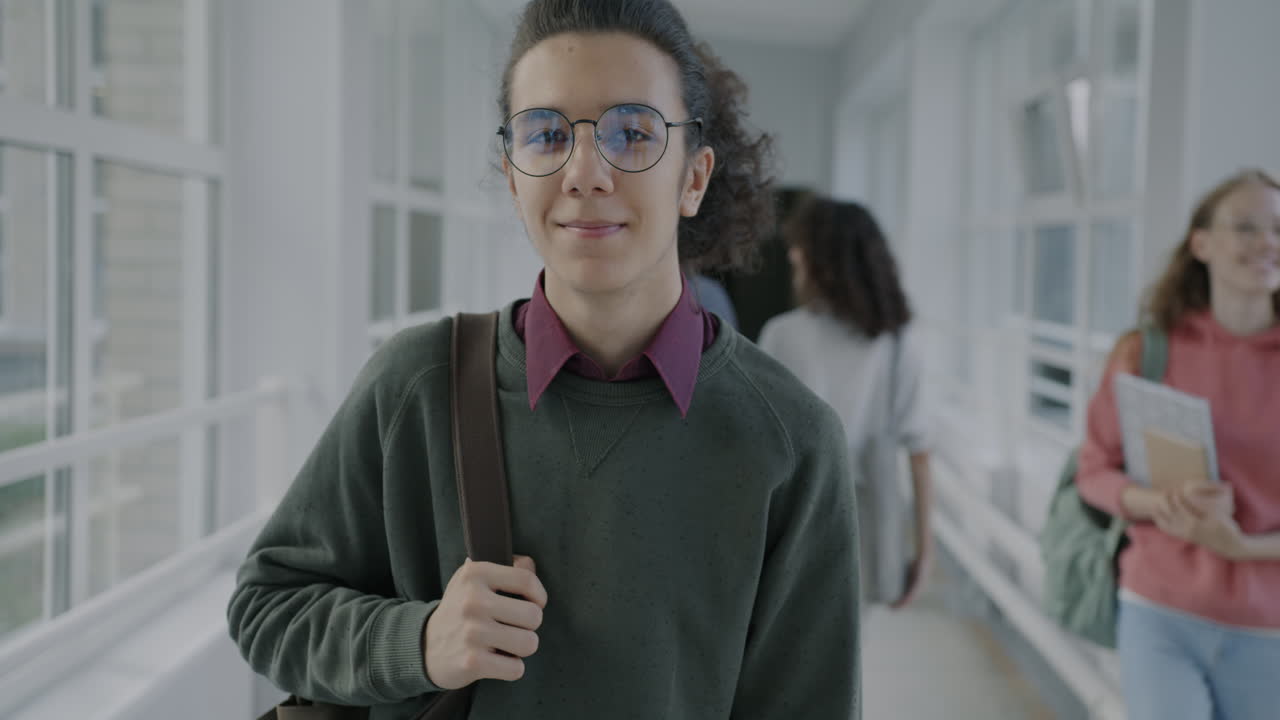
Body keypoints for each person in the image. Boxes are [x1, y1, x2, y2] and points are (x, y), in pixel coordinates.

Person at [226, 1, 862, 718]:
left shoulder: (790, 441)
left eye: (632, 133)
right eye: (547, 134)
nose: (585, 172)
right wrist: (419, 640)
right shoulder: (414, 387)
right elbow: (266, 607)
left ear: (694, 178)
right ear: (512, 174)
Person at [1077, 169, 1280, 720]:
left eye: (1279, 229)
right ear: (1201, 244)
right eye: (1247, 227)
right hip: (1158, 609)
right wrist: (1155, 503)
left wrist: (1242, 547)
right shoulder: (1147, 351)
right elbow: (1094, 469)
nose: (1268, 243)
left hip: (1270, 632)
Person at [758, 196, 933, 612]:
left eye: (800, 247)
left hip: (791, 517)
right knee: (849, 654)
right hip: (867, 523)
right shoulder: (899, 343)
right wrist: (924, 554)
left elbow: (757, 442)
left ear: (819, 259)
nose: (793, 255)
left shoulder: (782, 335)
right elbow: (919, 453)